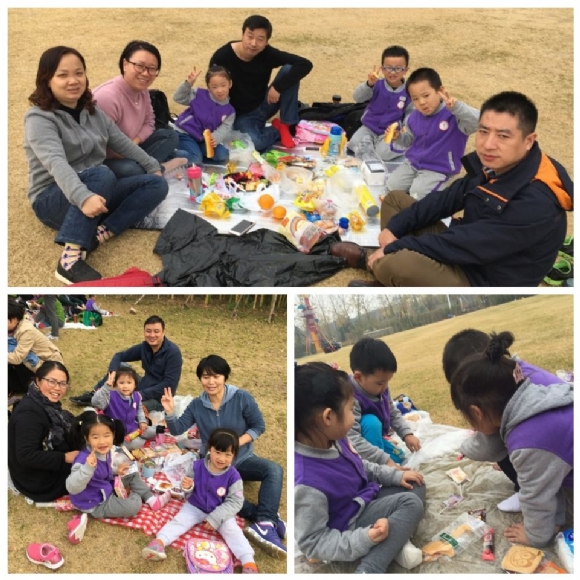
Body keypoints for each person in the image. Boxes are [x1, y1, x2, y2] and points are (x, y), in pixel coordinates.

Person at [330, 91, 574, 287]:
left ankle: (374, 263)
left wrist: (394, 247)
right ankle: (388, 269)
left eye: (503, 136)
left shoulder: (537, 202)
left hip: (483, 279)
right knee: (395, 201)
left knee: (397, 263)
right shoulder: (500, 164)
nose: (488, 144)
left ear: (528, 140)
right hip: (464, 250)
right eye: (484, 131)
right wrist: (393, 230)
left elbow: (467, 244)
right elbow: (447, 199)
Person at [24, 46, 169, 284]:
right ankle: (69, 260)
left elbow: (121, 141)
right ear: (47, 79)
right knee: (103, 173)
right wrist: (83, 197)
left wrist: (153, 166)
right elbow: (56, 163)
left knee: (157, 184)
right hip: (54, 197)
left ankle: (100, 234)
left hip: (96, 191)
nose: (73, 81)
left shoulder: (91, 109)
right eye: (62, 75)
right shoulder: (39, 118)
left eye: (79, 73)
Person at [295, 362, 425, 572]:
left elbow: (358, 466)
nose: (353, 417)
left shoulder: (334, 438)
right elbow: (313, 543)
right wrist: (365, 538)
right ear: (328, 417)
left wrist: (394, 475)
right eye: (350, 410)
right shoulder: (306, 481)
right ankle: (370, 568)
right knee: (411, 504)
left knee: (415, 482)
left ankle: (394, 542)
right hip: (349, 524)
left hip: (365, 500)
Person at [450, 331, 573, 548]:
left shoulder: (528, 441)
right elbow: (549, 475)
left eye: (469, 419)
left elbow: (537, 497)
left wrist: (536, 535)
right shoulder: (532, 392)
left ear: (477, 412)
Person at [160, 354, 286, 559]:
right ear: (200, 379)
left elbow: (258, 426)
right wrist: (170, 412)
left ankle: (264, 524)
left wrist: (234, 444)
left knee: (273, 470)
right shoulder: (197, 405)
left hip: (242, 458)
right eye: (205, 377)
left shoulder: (241, 397)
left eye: (216, 376)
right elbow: (177, 429)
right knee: (220, 499)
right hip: (212, 465)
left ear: (225, 377)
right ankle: (267, 518)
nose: (211, 382)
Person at [142, 428, 259, 573]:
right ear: (209, 448)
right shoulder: (196, 466)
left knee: (232, 530)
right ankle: (159, 542)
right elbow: (187, 488)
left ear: (234, 455)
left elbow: (235, 502)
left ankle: (248, 562)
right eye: (218, 452)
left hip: (221, 511)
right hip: (195, 506)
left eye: (227, 454)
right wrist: (188, 487)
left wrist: (216, 518)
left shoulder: (233, 476)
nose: (221, 458)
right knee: (180, 521)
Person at [210, 14, 313, 151]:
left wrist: (278, 87)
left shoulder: (267, 53)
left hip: (265, 103)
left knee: (289, 69)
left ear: (266, 42)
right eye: (250, 36)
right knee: (255, 143)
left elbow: (305, 64)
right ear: (242, 35)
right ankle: (276, 129)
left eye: (260, 39)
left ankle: (286, 124)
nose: (253, 43)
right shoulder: (223, 57)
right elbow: (213, 87)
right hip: (240, 115)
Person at [92, 40, 187, 178]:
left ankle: (152, 166)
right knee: (131, 169)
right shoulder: (107, 97)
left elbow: (149, 122)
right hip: (108, 158)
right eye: (140, 66)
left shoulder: (142, 90)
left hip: (132, 147)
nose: (146, 73)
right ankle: (161, 168)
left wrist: (134, 144)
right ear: (125, 64)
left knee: (170, 136)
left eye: (152, 69)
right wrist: (132, 151)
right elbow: (101, 147)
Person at [385, 67, 479, 199]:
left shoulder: (454, 115)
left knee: (418, 194)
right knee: (392, 186)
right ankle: (417, 184)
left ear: (439, 91)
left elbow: (479, 122)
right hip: (414, 164)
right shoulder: (413, 117)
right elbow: (410, 141)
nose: (422, 102)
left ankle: (438, 189)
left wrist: (457, 107)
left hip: (439, 169)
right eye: (415, 99)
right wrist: (398, 137)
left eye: (426, 96)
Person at [66, 411, 172, 526]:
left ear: (113, 435)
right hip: (95, 503)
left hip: (105, 486)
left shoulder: (104, 450)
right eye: (95, 437)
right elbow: (72, 488)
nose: (102, 442)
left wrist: (116, 471)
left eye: (106, 435)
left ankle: (151, 499)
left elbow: (101, 472)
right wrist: (87, 468)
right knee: (133, 506)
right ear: (87, 439)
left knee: (131, 471)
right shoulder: (84, 460)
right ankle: (135, 495)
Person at [69, 315, 182, 412]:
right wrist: (113, 373)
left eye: (156, 331)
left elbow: (169, 384)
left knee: (128, 409)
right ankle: (95, 394)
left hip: (159, 398)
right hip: (142, 386)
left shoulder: (173, 352)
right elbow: (119, 356)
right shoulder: (145, 346)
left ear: (163, 332)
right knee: (121, 366)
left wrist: (140, 395)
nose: (152, 335)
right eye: (148, 331)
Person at [8, 362, 79, 502]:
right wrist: (64, 457)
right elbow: (26, 456)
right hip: (36, 480)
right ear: (38, 380)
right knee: (90, 471)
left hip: (39, 465)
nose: (57, 388)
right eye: (52, 381)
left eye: (62, 384)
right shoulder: (29, 414)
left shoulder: (42, 402)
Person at [347, 338, 421, 466]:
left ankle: (381, 455)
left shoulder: (381, 386)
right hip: (356, 449)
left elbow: (392, 411)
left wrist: (407, 434)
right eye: (381, 383)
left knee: (400, 458)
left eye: (387, 381)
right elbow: (352, 438)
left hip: (376, 440)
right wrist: (384, 462)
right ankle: (374, 466)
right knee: (371, 422)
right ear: (358, 377)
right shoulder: (349, 396)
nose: (385, 387)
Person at [347, 45, 413, 163]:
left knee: (384, 154)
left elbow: (411, 112)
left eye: (398, 68)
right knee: (354, 144)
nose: (393, 72)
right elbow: (358, 97)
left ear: (406, 70)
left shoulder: (409, 91)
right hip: (369, 128)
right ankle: (372, 145)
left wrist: (406, 128)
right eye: (388, 68)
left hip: (390, 131)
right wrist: (369, 84)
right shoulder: (376, 84)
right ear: (382, 69)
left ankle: (402, 147)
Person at [172, 65, 235, 166]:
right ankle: (171, 154)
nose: (220, 90)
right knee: (196, 159)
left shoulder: (230, 111)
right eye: (214, 87)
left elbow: (225, 128)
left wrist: (215, 137)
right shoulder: (199, 94)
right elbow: (177, 97)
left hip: (202, 140)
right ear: (208, 88)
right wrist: (188, 84)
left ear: (230, 84)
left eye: (223, 85)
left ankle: (193, 153)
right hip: (185, 133)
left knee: (222, 154)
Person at [8, 297, 64, 396]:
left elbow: (17, 358)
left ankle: (27, 386)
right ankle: (14, 387)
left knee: (12, 352)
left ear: (14, 318)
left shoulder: (25, 331)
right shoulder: (15, 327)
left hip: (49, 364)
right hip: (36, 360)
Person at [91, 367, 155, 450]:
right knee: (136, 443)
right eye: (121, 383)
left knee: (153, 431)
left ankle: (144, 440)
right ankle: (139, 443)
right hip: (118, 434)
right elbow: (95, 403)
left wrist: (142, 421)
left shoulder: (136, 396)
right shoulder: (110, 396)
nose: (125, 386)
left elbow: (139, 410)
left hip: (134, 428)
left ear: (135, 385)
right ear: (116, 384)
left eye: (129, 382)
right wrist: (106, 387)